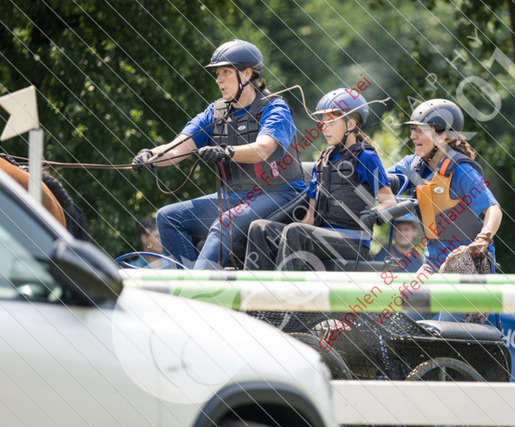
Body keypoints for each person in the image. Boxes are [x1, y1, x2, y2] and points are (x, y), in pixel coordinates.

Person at [131, 39, 305, 269]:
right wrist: (151, 155)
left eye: (225, 72)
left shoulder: (275, 108)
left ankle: (197, 287)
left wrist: (227, 152)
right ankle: (186, 278)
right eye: (217, 74)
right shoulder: (215, 112)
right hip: (236, 197)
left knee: (225, 223)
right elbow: (179, 147)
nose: (218, 80)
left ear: (246, 74)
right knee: (167, 217)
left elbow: (263, 149)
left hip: (279, 194)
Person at [244, 88, 396, 271]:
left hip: (353, 242)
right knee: (260, 228)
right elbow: (310, 218)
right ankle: (255, 288)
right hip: (320, 235)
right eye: (323, 123)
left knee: (295, 232)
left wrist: (374, 213)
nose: (324, 128)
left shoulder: (366, 158)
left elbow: (389, 202)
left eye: (331, 122)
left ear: (350, 124)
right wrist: (284, 235)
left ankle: (283, 288)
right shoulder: (322, 160)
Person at [387, 99, 502, 321]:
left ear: (442, 136)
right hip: (431, 266)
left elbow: (494, 209)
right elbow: (380, 179)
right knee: (400, 323)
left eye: (420, 130)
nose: (413, 136)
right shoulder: (412, 165)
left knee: (448, 331)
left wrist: (483, 238)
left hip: (466, 267)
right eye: (413, 130)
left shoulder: (462, 171)